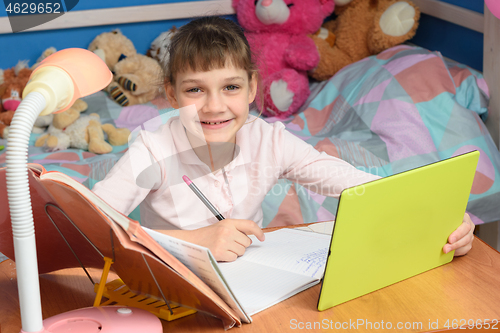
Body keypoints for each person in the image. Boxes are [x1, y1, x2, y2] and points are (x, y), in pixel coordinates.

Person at [92, 16, 475, 262]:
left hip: (254, 276)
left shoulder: (270, 140)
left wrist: (440, 216)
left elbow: (357, 185)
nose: (214, 106)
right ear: (172, 96)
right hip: (175, 280)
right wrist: (192, 242)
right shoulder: (152, 148)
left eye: (230, 87)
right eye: (195, 91)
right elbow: (91, 226)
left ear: (251, 88)